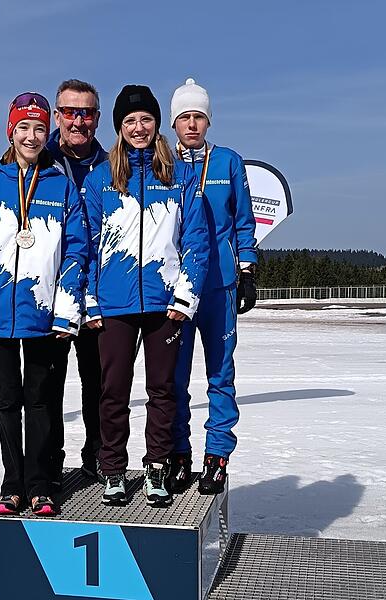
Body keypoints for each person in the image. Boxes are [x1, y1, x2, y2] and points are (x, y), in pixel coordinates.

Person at [0, 79, 108, 485]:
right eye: (24, 127)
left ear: (96, 118)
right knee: (18, 400)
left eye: (86, 113)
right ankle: (30, 479)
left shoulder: (101, 168)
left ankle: (73, 469)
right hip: (3, 311)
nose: (32, 135)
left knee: (82, 391)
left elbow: (76, 249)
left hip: (65, 305)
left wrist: (68, 308)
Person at [83, 84, 209, 507]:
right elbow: (83, 242)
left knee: (162, 389)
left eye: (146, 120)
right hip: (114, 305)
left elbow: (196, 239)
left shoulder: (178, 175)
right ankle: (114, 469)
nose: (138, 127)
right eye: (130, 121)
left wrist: (183, 295)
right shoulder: (101, 178)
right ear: (119, 128)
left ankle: (157, 467)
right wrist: (90, 301)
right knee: (113, 390)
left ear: (157, 126)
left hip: (164, 304)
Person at [167, 78, 258, 495]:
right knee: (175, 377)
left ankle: (217, 457)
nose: (191, 124)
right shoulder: (163, 163)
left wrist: (249, 270)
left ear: (208, 121)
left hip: (220, 285)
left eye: (198, 117)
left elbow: (243, 221)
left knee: (221, 374)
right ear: (173, 123)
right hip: (178, 289)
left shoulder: (228, 162)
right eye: (184, 117)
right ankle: (180, 455)